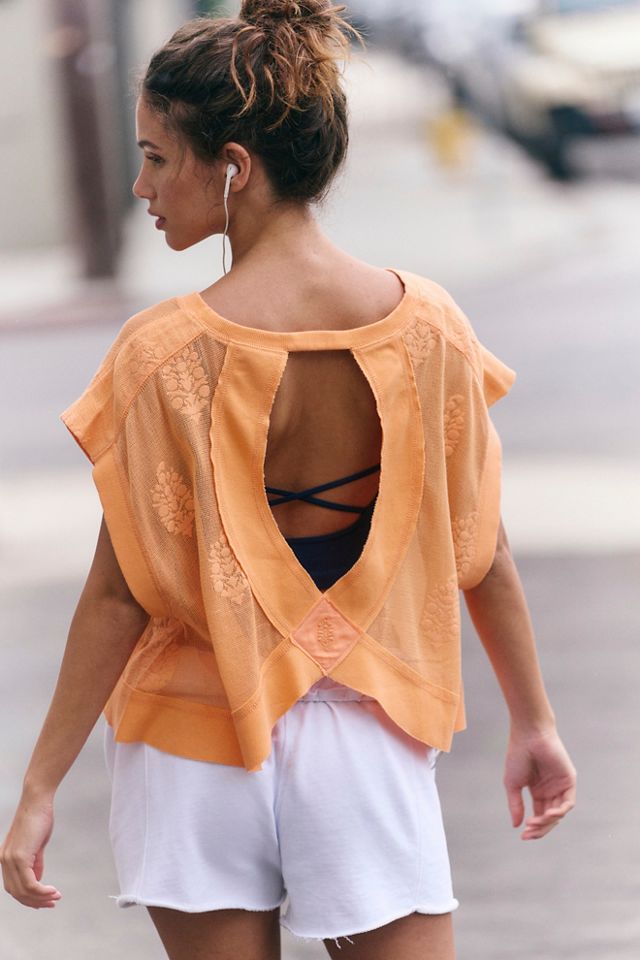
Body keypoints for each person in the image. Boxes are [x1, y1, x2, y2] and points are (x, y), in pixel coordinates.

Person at [0, 2, 576, 958]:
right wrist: (534, 720)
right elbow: (483, 548)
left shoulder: (163, 354)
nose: (142, 186)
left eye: (157, 158)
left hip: (192, 746)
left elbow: (118, 594)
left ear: (233, 167)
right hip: (369, 734)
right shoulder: (429, 328)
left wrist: (38, 789)